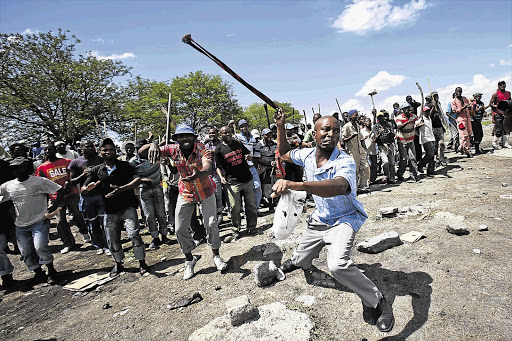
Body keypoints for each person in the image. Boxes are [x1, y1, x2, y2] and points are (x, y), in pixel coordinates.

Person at [273, 109, 394, 333]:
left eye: (336, 131)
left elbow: (339, 187)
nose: (331, 134)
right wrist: (280, 127)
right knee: (300, 256)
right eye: (326, 129)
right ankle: (298, 262)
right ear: (315, 133)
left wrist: (295, 184)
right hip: (320, 219)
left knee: (337, 265)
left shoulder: (345, 161)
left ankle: (377, 300)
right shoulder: (307, 155)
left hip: (344, 219)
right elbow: (284, 155)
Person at [144, 125, 227, 280]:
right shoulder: (172, 149)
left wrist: (199, 174)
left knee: (210, 223)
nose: (184, 139)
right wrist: (154, 144)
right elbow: (141, 153)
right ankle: (190, 259)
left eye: (187, 135)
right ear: (176, 139)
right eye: (180, 136)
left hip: (205, 190)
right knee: (180, 228)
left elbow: (208, 168)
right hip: (186, 192)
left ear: (194, 137)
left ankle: (216, 256)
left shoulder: (203, 148)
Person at [82, 138, 150, 277]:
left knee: (134, 234)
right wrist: (87, 188)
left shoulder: (125, 166)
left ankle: (142, 263)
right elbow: (84, 189)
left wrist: (122, 189)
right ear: (100, 152)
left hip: (127, 206)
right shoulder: (96, 170)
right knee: (112, 238)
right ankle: (118, 263)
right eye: (105, 150)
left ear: (116, 151)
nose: (108, 152)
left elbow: (137, 179)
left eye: (111, 149)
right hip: (109, 209)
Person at [0, 157, 63, 285]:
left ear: (25, 168)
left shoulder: (39, 182)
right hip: (21, 225)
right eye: (13, 168)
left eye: (19, 167)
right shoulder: (7, 186)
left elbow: (59, 190)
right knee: (26, 252)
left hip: (39, 220)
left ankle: (51, 271)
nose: (16, 170)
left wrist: (53, 206)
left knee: (40, 247)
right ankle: (38, 273)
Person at [36, 143, 90, 254]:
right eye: (45, 150)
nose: (47, 152)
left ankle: (85, 234)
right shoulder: (42, 167)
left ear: (55, 150)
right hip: (56, 198)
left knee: (77, 215)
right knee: (61, 221)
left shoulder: (66, 162)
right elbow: (40, 182)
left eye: (49, 149)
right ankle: (68, 243)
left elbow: (75, 175)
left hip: (71, 194)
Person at [215, 126, 258, 237]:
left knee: (251, 205)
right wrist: (221, 177)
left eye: (229, 132)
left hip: (247, 179)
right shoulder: (219, 149)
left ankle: (252, 227)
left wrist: (249, 156)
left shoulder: (238, 143)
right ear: (221, 135)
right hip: (232, 182)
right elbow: (218, 166)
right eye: (225, 133)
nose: (228, 134)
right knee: (235, 207)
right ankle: (236, 229)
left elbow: (248, 154)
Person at [68, 140, 109, 255]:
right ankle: (98, 245)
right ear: (81, 148)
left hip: (101, 196)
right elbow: (72, 181)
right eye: (87, 146)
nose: (91, 148)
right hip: (87, 197)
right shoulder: (76, 162)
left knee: (104, 222)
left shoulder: (100, 159)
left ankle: (107, 245)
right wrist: (83, 175)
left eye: (92, 146)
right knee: (92, 223)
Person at [130, 139, 170, 249]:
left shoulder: (155, 155)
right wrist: (142, 180)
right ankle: (155, 237)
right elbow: (132, 176)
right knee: (149, 216)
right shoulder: (133, 161)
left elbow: (164, 143)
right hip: (144, 190)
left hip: (158, 187)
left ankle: (164, 235)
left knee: (161, 214)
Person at [235, 119, 263, 209]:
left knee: (257, 187)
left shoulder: (253, 139)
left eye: (245, 125)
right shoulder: (237, 137)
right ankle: (245, 210)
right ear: (239, 128)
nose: (244, 128)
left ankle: (256, 208)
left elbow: (256, 152)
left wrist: (254, 159)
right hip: (241, 167)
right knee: (245, 189)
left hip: (251, 165)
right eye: (242, 126)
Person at [342, 110, 370, 193]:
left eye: (357, 115)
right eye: (355, 115)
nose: (357, 116)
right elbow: (343, 139)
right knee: (355, 169)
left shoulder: (357, 125)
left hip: (359, 148)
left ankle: (364, 186)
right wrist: (351, 136)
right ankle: (354, 188)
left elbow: (359, 138)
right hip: (352, 149)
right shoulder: (346, 126)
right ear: (351, 116)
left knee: (365, 166)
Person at [254, 128, 278, 212]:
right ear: (263, 135)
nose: (269, 136)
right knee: (267, 186)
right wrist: (269, 163)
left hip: (276, 166)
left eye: (270, 134)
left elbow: (278, 153)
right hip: (265, 167)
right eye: (267, 134)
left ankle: (277, 203)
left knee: (277, 183)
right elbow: (257, 158)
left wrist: (275, 161)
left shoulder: (275, 143)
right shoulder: (258, 145)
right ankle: (270, 205)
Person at [395, 103, 420, 182]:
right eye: (405, 108)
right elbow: (400, 127)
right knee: (403, 159)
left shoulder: (413, 116)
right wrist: (408, 122)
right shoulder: (399, 117)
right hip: (402, 141)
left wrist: (418, 123)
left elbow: (417, 123)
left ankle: (414, 175)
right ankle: (400, 174)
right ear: (402, 110)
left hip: (411, 140)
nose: (407, 110)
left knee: (413, 158)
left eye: (408, 108)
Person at [204, 128, 224, 222]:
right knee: (217, 194)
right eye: (210, 133)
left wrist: (215, 152)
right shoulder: (206, 146)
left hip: (224, 171)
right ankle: (219, 213)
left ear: (217, 134)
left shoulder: (222, 143)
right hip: (213, 173)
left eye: (213, 133)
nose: (211, 134)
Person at [372, 111, 396, 184]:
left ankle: (392, 178)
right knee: (385, 162)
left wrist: (390, 133)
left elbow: (393, 134)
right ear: (377, 118)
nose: (381, 118)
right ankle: (386, 175)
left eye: (381, 116)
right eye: (379, 117)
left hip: (390, 144)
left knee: (392, 162)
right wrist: (379, 133)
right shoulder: (376, 126)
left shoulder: (388, 124)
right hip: (382, 145)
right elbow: (374, 139)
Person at [426, 92, 448, 165]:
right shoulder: (428, 106)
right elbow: (429, 116)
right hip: (433, 129)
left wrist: (442, 127)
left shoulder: (438, 105)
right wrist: (433, 107)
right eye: (434, 96)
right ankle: (436, 160)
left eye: (437, 96)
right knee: (435, 146)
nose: (436, 97)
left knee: (441, 144)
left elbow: (440, 117)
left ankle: (440, 158)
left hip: (439, 128)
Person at [451, 87, 473, 157]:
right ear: (455, 92)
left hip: (467, 118)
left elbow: (470, 104)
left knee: (469, 134)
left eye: (460, 92)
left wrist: (470, 106)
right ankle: (468, 151)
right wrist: (463, 107)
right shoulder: (454, 101)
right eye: (457, 92)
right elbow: (455, 110)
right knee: (464, 135)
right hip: (461, 119)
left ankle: (460, 148)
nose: (459, 93)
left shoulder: (464, 98)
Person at [489, 81, 511, 149]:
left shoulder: (508, 93)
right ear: (498, 86)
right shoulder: (495, 94)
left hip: (506, 113)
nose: (502, 86)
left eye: (503, 85)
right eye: (500, 85)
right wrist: (497, 106)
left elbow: (510, 101)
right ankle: (495, 143)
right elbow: (490, 104)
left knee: (507, 128)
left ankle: (505, 143)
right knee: (499, 128)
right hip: (498, 113)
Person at [417, 105, 436, 177]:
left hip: (431, 137)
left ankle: (430, 171)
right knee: (430, 153)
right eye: (426, 111)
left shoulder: (429, 118)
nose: (427, 112)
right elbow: (416, 125)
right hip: (425, 139)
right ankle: (421, 164)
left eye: (428, 111)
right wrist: (419, 124)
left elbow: (431, 112)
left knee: (432, 155)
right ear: (423, 112)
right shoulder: (421, 119)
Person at [361, 117, 378, 184]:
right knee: (369, 165)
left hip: (374, 150)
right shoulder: (362, 131)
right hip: (366, 150)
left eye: (369, 121)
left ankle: (373, 179)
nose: (368, 122)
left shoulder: (374, 130)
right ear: (364, 123)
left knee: (375, 166)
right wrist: (364, 138)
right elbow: (359, 140)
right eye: (367, 121)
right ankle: (369, 179)